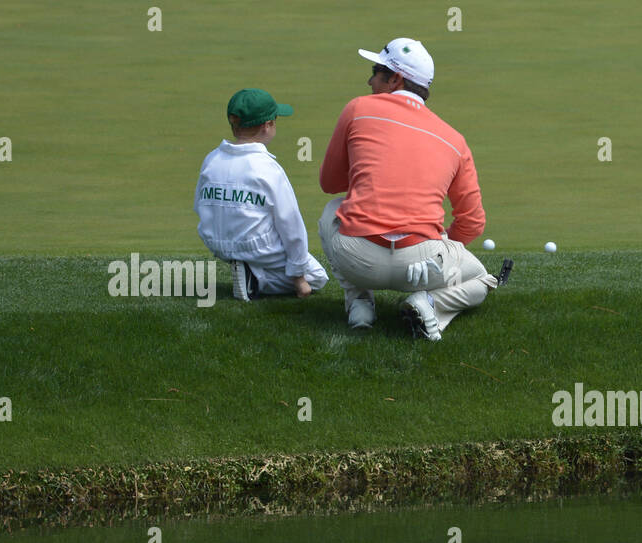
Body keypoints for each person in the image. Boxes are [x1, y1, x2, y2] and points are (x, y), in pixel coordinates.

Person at [319, 38, 506, 339]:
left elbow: (329, 184)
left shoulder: (358, 108)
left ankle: (360, 303)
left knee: (331, 211)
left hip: (357, 260)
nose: (369, 80)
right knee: (482, 280)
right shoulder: (454, 139)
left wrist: (370, 175)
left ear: (396, 79)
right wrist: (442, 249)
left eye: (376, 72)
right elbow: (473, 222)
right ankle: (428, 301)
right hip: (423, 264)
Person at [195, 89, 329, 301]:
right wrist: (298, 278)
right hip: (256, 246)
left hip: (216, 242)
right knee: (317, 276)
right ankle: (255, 278)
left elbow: (199, 205)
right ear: (267, 126)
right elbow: (290, 224)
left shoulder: (211, 159)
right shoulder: (267, 167)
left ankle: (246, 267)